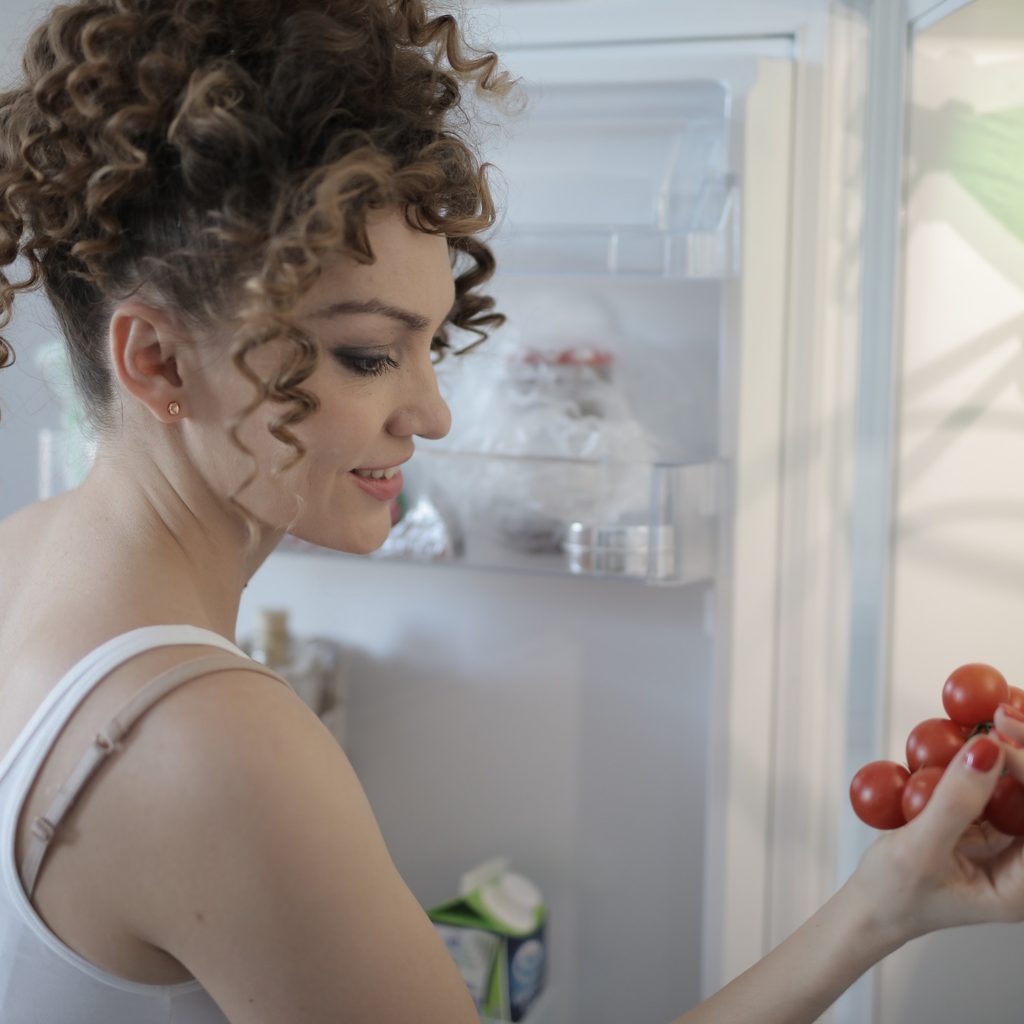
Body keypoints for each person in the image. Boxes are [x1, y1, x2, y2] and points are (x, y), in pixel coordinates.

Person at [0, 2, 1022, 1023]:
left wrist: (891, 894)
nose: (433, 413)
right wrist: (870, 918)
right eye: (367, 354)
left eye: (431, 346)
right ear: (158, 360)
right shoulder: (213, 745)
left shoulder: (20, 564)